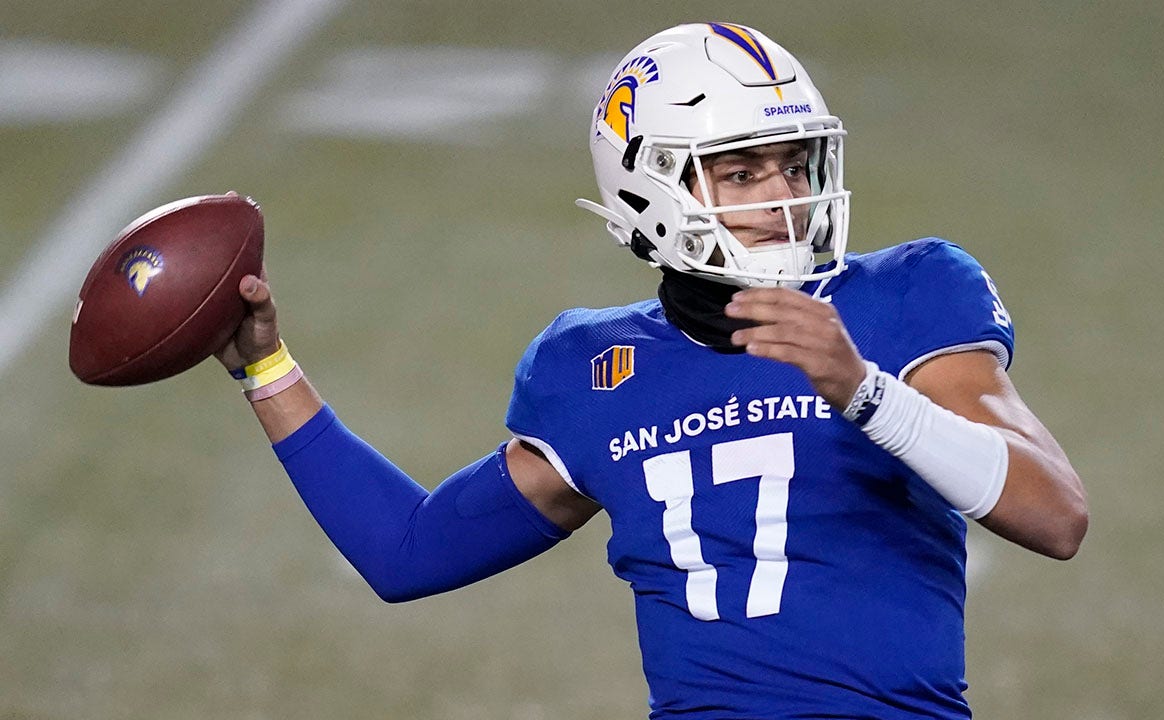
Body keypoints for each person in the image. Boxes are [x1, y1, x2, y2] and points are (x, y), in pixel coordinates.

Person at [217, 22, 1088, 720]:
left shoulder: (907, 296)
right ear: (650, 190)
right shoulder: (593, 369)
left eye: (794, 164)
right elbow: (408, 552)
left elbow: (1055, 515)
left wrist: (864, 391)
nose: (783, 196)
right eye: (741, 173)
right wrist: (267, 367)